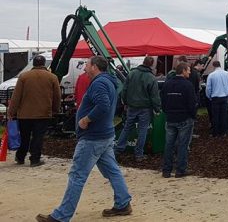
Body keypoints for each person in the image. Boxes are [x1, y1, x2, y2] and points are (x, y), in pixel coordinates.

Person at [36, 56, 132, 222]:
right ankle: (123, 203)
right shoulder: (108, 82)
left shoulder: (99, 83)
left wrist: (86, 120)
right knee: (112, 171)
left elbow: (103, 105)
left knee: (77, 176)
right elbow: (108, 105)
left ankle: (61, 216)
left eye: (87, 65)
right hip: (105, 135)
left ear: (95, 67)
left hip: (93, 138)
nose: (85, 68)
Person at [8, 54, 61, 167]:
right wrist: (55, 109)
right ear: (44, 64)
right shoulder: (52, 77)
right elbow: (57, 96)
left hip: (25, 114)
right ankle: (35, 159)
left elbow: (16, 96)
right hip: (43, 113)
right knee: (38, 137)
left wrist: (12, 111)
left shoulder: (23, 76)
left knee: (24, 137)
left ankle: (20, 157)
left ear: (33, 64)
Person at [114, 56, 161, 161]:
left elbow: (124, 89)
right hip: (145, 108)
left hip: (131, 106)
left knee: (127, 128)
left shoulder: (132, 74)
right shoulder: (151, 77)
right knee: (142, 130)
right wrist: (157, 109)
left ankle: (118, 150)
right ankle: (138, 154)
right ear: (152, 65)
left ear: (143, 62)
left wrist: (125, 103)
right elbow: (154, 96)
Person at [160, 62, 197, 178]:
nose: (190, 72)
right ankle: (181, 169)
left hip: (171, 117)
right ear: (184, 71)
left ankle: (166, 170)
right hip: (184, 118)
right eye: (188, 70)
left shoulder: (167, 84)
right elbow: (192, 103)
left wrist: (167, 111)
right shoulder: (187, 85)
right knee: (182, 145)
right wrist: (192, 115)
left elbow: (163, 100)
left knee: (168, 145)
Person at [206, 61, 228, 137]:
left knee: (215, 116)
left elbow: (208, 88)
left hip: (215, 97)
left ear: (213, 66)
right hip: (225, 97)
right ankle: (223, 132)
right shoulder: (227, 74)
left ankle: (216, 133)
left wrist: (209, 96)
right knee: (223, 115)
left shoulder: (211, 75)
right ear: (220, 65)